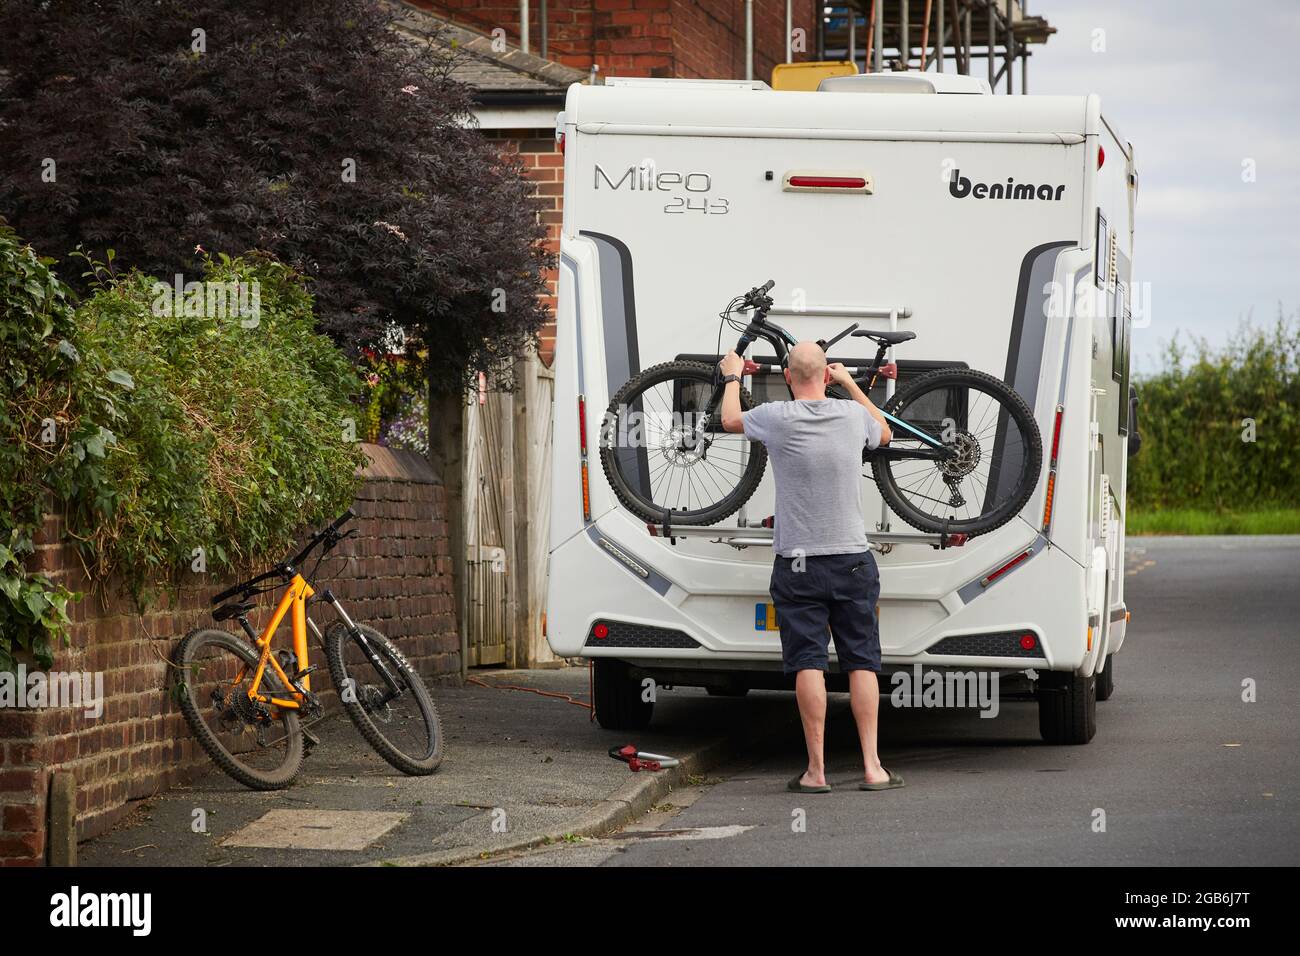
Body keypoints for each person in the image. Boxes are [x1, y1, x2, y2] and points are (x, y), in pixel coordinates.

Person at [718, 342, 905, 793]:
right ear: (824, 376)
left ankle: (816, 772)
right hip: (852, 560)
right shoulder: (852, 417)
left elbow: (727, 420)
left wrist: (731, 375)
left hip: (797, 562)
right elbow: (885, 434)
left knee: (808, 662)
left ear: (787, 377)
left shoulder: (776, 417)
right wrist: (849, 385)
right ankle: (873, 768)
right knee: (862, 662)